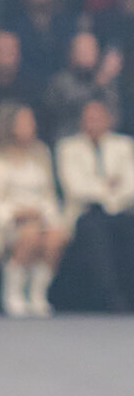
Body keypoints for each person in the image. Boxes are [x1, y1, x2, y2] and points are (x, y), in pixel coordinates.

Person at [0, 102, 67, 317]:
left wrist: (44, 215)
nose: (30, 125)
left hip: (38, 216)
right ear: (9, 124)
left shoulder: (40, 152)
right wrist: (15, 213)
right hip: (3, 220)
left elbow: (48, 193)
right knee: (29, 233)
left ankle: (37, 293)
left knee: (55, 236)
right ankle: (13, 293)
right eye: (24, 121)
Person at [55, 98, 134, 311]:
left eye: (97, 118)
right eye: (88, 119)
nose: (92, 123)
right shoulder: (68, 147)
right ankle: (109, 296)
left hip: (121, 210)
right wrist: (108, 185)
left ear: (108, 120)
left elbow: (131, 183)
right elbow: (75, 187)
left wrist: (102, 188)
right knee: (94, 229)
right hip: (85, 212)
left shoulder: (124, 145)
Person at [43, 29, 122, 142]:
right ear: (71, 53)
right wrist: (97, 86)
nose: (86, 54)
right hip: (69, 140)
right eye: (81, 50)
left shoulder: (106, 82)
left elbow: (115, 117)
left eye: (90, 50)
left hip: (103, 140)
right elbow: (59, 114)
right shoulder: (60, 82)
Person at [14, 0, 73, 89]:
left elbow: (68, 57)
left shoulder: (64, 25)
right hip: (26, 84)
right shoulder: (16, 28)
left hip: (61, 85)